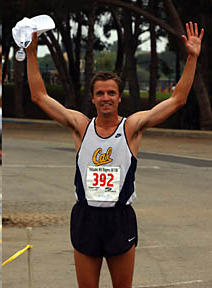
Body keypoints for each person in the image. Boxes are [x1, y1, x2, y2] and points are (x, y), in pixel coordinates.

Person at [25, 22, 203, 287]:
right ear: (93, 99)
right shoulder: (81, 127)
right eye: (100, 93)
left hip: (119, 218)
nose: (105, 97)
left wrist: (191, 57)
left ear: (120, 97)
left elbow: (177, 99)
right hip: (86, 218)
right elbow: (39, 96)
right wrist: (30, 53)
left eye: (111, 93)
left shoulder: (131, 127)